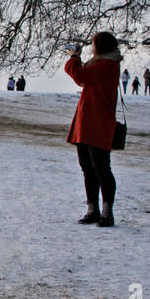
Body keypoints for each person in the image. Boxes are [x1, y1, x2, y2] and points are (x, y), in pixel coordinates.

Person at [64, 32, 121, 227]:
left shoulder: (107, 64)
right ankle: (93, 209)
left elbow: (80, 75)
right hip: (87, 121)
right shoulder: (100, 63)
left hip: (98, 122)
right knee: (88, 167)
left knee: (101, 168)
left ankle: (106, 211)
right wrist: (77, 59)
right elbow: (82, 78)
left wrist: (73, 57)